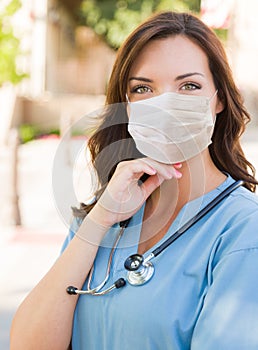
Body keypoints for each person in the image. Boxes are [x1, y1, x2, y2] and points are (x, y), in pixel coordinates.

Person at [11, 11, 258, 350]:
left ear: (218, 99)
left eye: (189, 86)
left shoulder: (244, 231)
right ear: (126, 107)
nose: (165, 104)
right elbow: (29, 343)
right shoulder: (106, 213)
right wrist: (99, 220)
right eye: (143, 88)